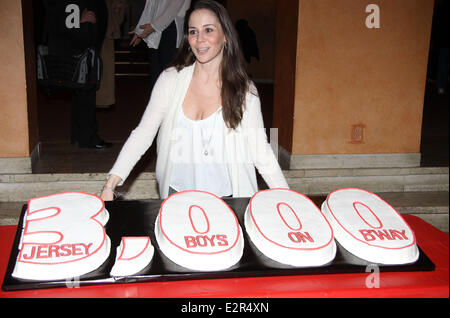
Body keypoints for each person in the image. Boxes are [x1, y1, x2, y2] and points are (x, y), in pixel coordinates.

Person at [100, 0, 288, 201]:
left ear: (225, 36)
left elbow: (262, 153)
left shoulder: (244, 91)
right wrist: (110, 185)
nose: (199, 40)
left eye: (208, 30)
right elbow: (143, 134)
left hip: (228, 201)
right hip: (176, 197)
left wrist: (289, 199)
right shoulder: (170, 80)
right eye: (193, 31)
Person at [44, 0, 113, 149]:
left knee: (81, 94)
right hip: (78, 52)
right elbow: (58, 21)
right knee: (85, 93)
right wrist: (81, 21)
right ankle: (87, 138)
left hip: (80, 51)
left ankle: (80, 136)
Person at [129, 0, 191, 87]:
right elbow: (151, 5)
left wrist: (153, 26)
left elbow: (174, 8)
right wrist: (141, 30)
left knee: (168, 77)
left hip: (171, 27)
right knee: (156, 77)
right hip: (155, 27)